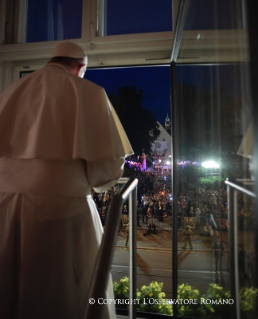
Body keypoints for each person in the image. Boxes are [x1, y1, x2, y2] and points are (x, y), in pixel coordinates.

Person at [0, 42, 134, 319]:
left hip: (5, 207)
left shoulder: (11, 90)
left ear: (52, 61)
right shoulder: (90, 92)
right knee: (66, 292)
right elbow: (107, 170)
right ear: (81, 67)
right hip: (65, 212)